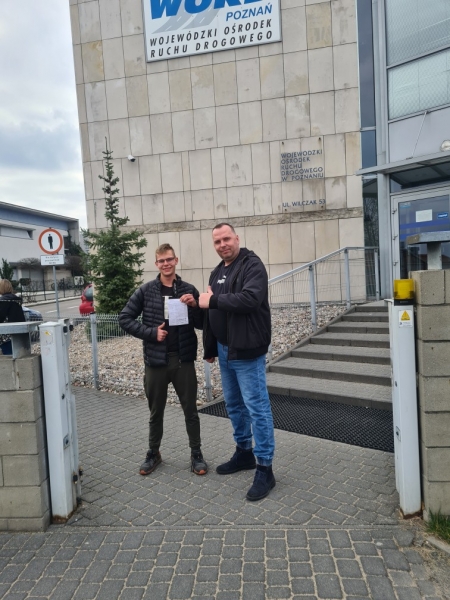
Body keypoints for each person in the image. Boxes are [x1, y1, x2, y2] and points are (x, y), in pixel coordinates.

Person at [199, 223, 275, 501]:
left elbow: (250, 299)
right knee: (233, 405)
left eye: (226, 239)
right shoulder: (217, 271)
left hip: (247, 350)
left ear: (237, 238)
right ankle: (244, 452)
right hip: (224, 350)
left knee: (257, 408)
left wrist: (212, 301)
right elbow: (212, 313)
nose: (222, 245)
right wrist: (210, 346)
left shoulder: (252, 265)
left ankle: (265, 468)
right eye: (217, 241)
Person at [119, 243, 208, 477]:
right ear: (156, 264)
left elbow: (201, 324)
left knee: (190, 410)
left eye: (169, 259)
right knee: (155, 412)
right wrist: (151, 333)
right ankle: (153, 452)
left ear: (176, 260)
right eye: (162, 261)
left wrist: (194, 305)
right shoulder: (146, 290)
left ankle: (196, 453)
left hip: (182, 360)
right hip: (155, 362)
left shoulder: (188, 289)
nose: (166, 264)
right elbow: (125, 318)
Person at [0, 279, 26, 355]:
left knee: (9, 355)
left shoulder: (3, 301)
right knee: (18, 355)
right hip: (19, 332)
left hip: (6, 335)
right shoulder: (16, 300)